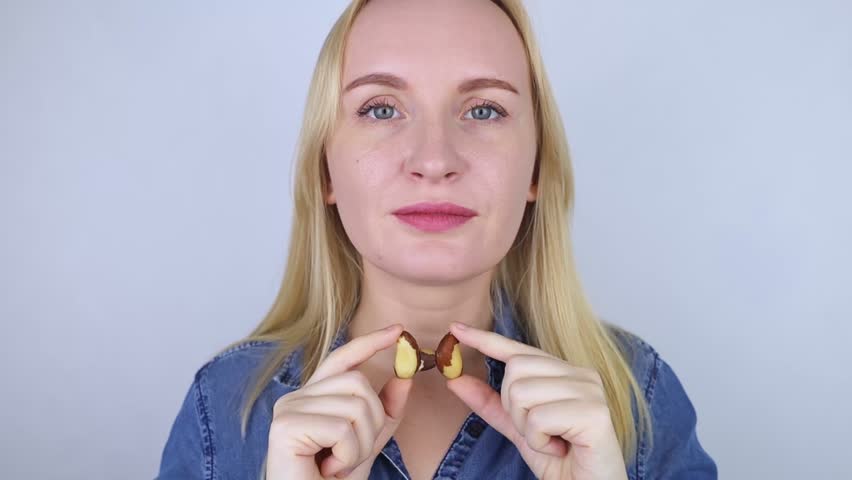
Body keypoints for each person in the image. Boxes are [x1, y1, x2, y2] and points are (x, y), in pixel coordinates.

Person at [157, 0, 717, 478]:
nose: (434, 159)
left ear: (536, 169)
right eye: (380, 108)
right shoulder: (226, 409)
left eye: (483, 109)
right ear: (325, 171)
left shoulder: (638, 399)